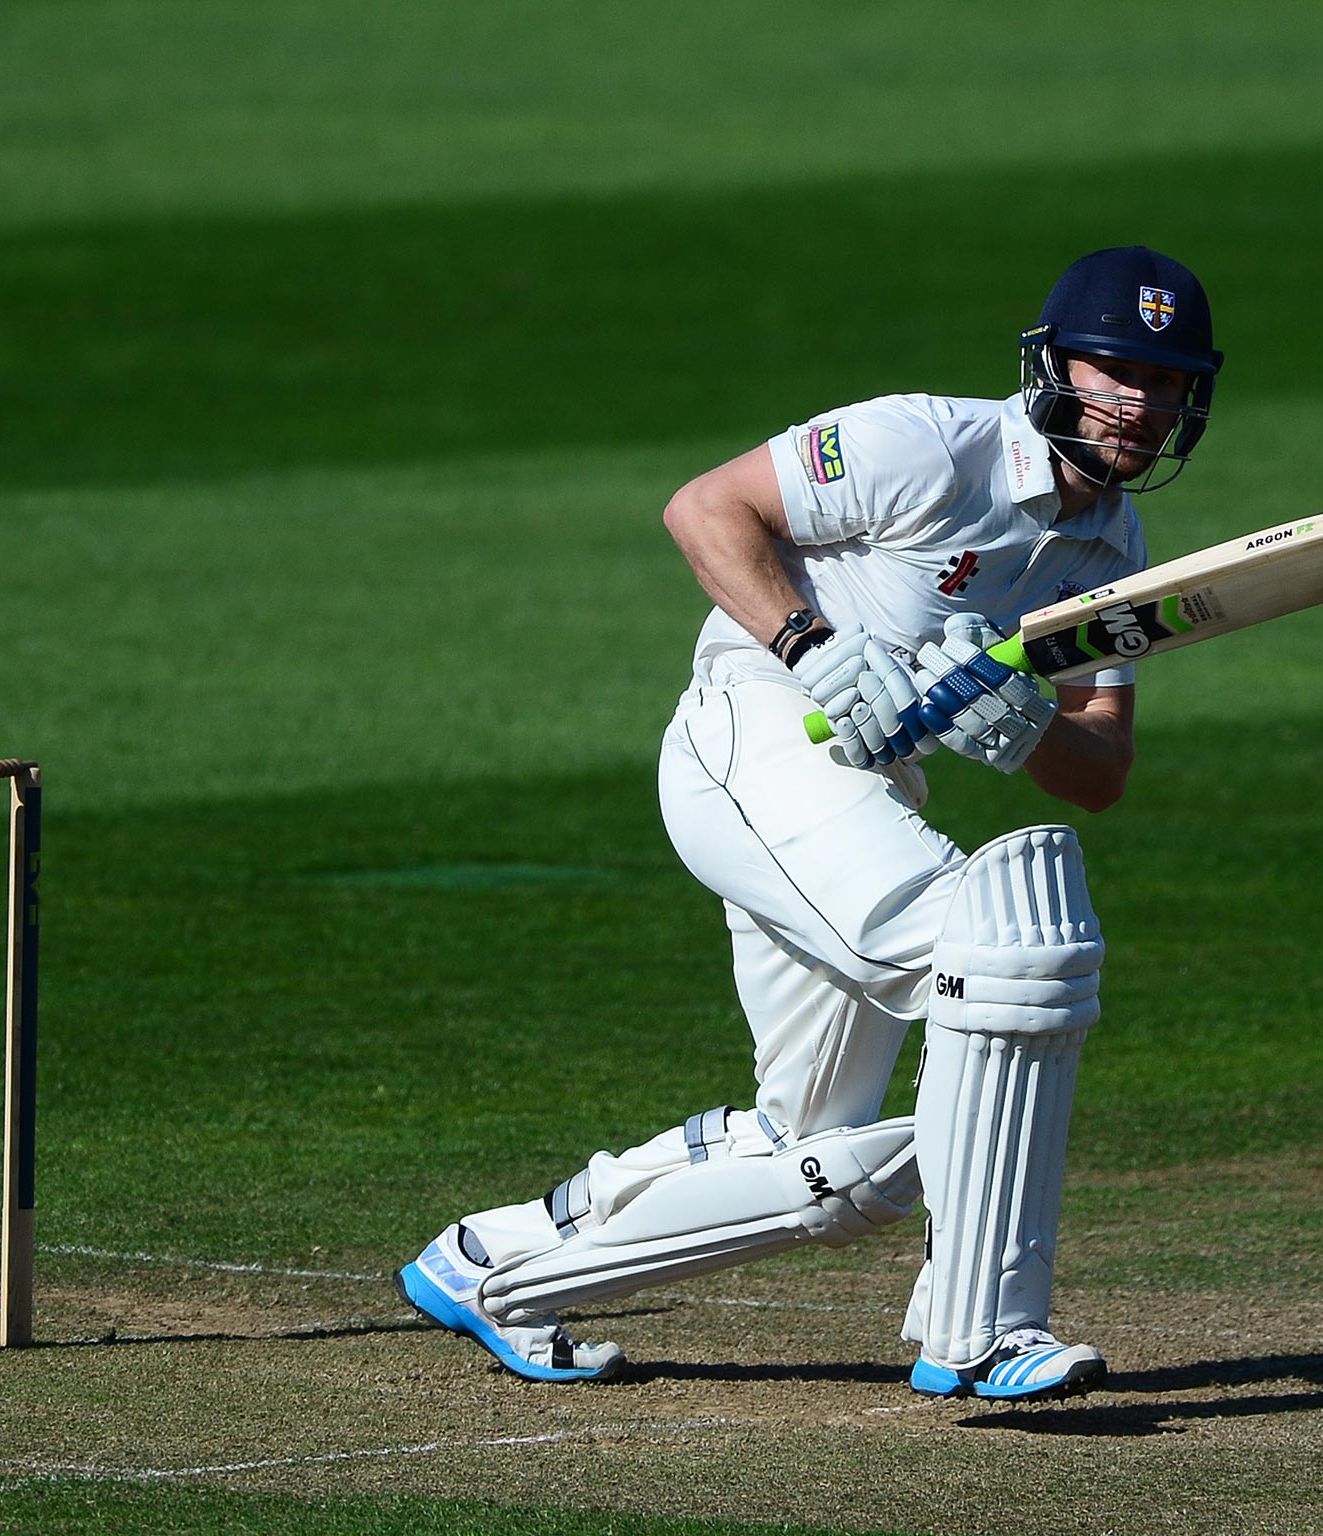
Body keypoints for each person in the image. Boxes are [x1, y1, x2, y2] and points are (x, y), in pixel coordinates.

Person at [397, 246, 1223, 1401]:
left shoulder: (1110, 545)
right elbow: (704, 508)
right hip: (756, 733)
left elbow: (1099, 769)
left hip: (867, 790)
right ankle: (982, 1328)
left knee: (804, 1159)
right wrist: (815, 646)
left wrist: (1025, 729)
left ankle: (496, 1263)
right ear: (1051, 367)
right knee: (1007, 953)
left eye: (1168, 381)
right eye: (1114, 371)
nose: (1140, 403)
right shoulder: (922, 444)